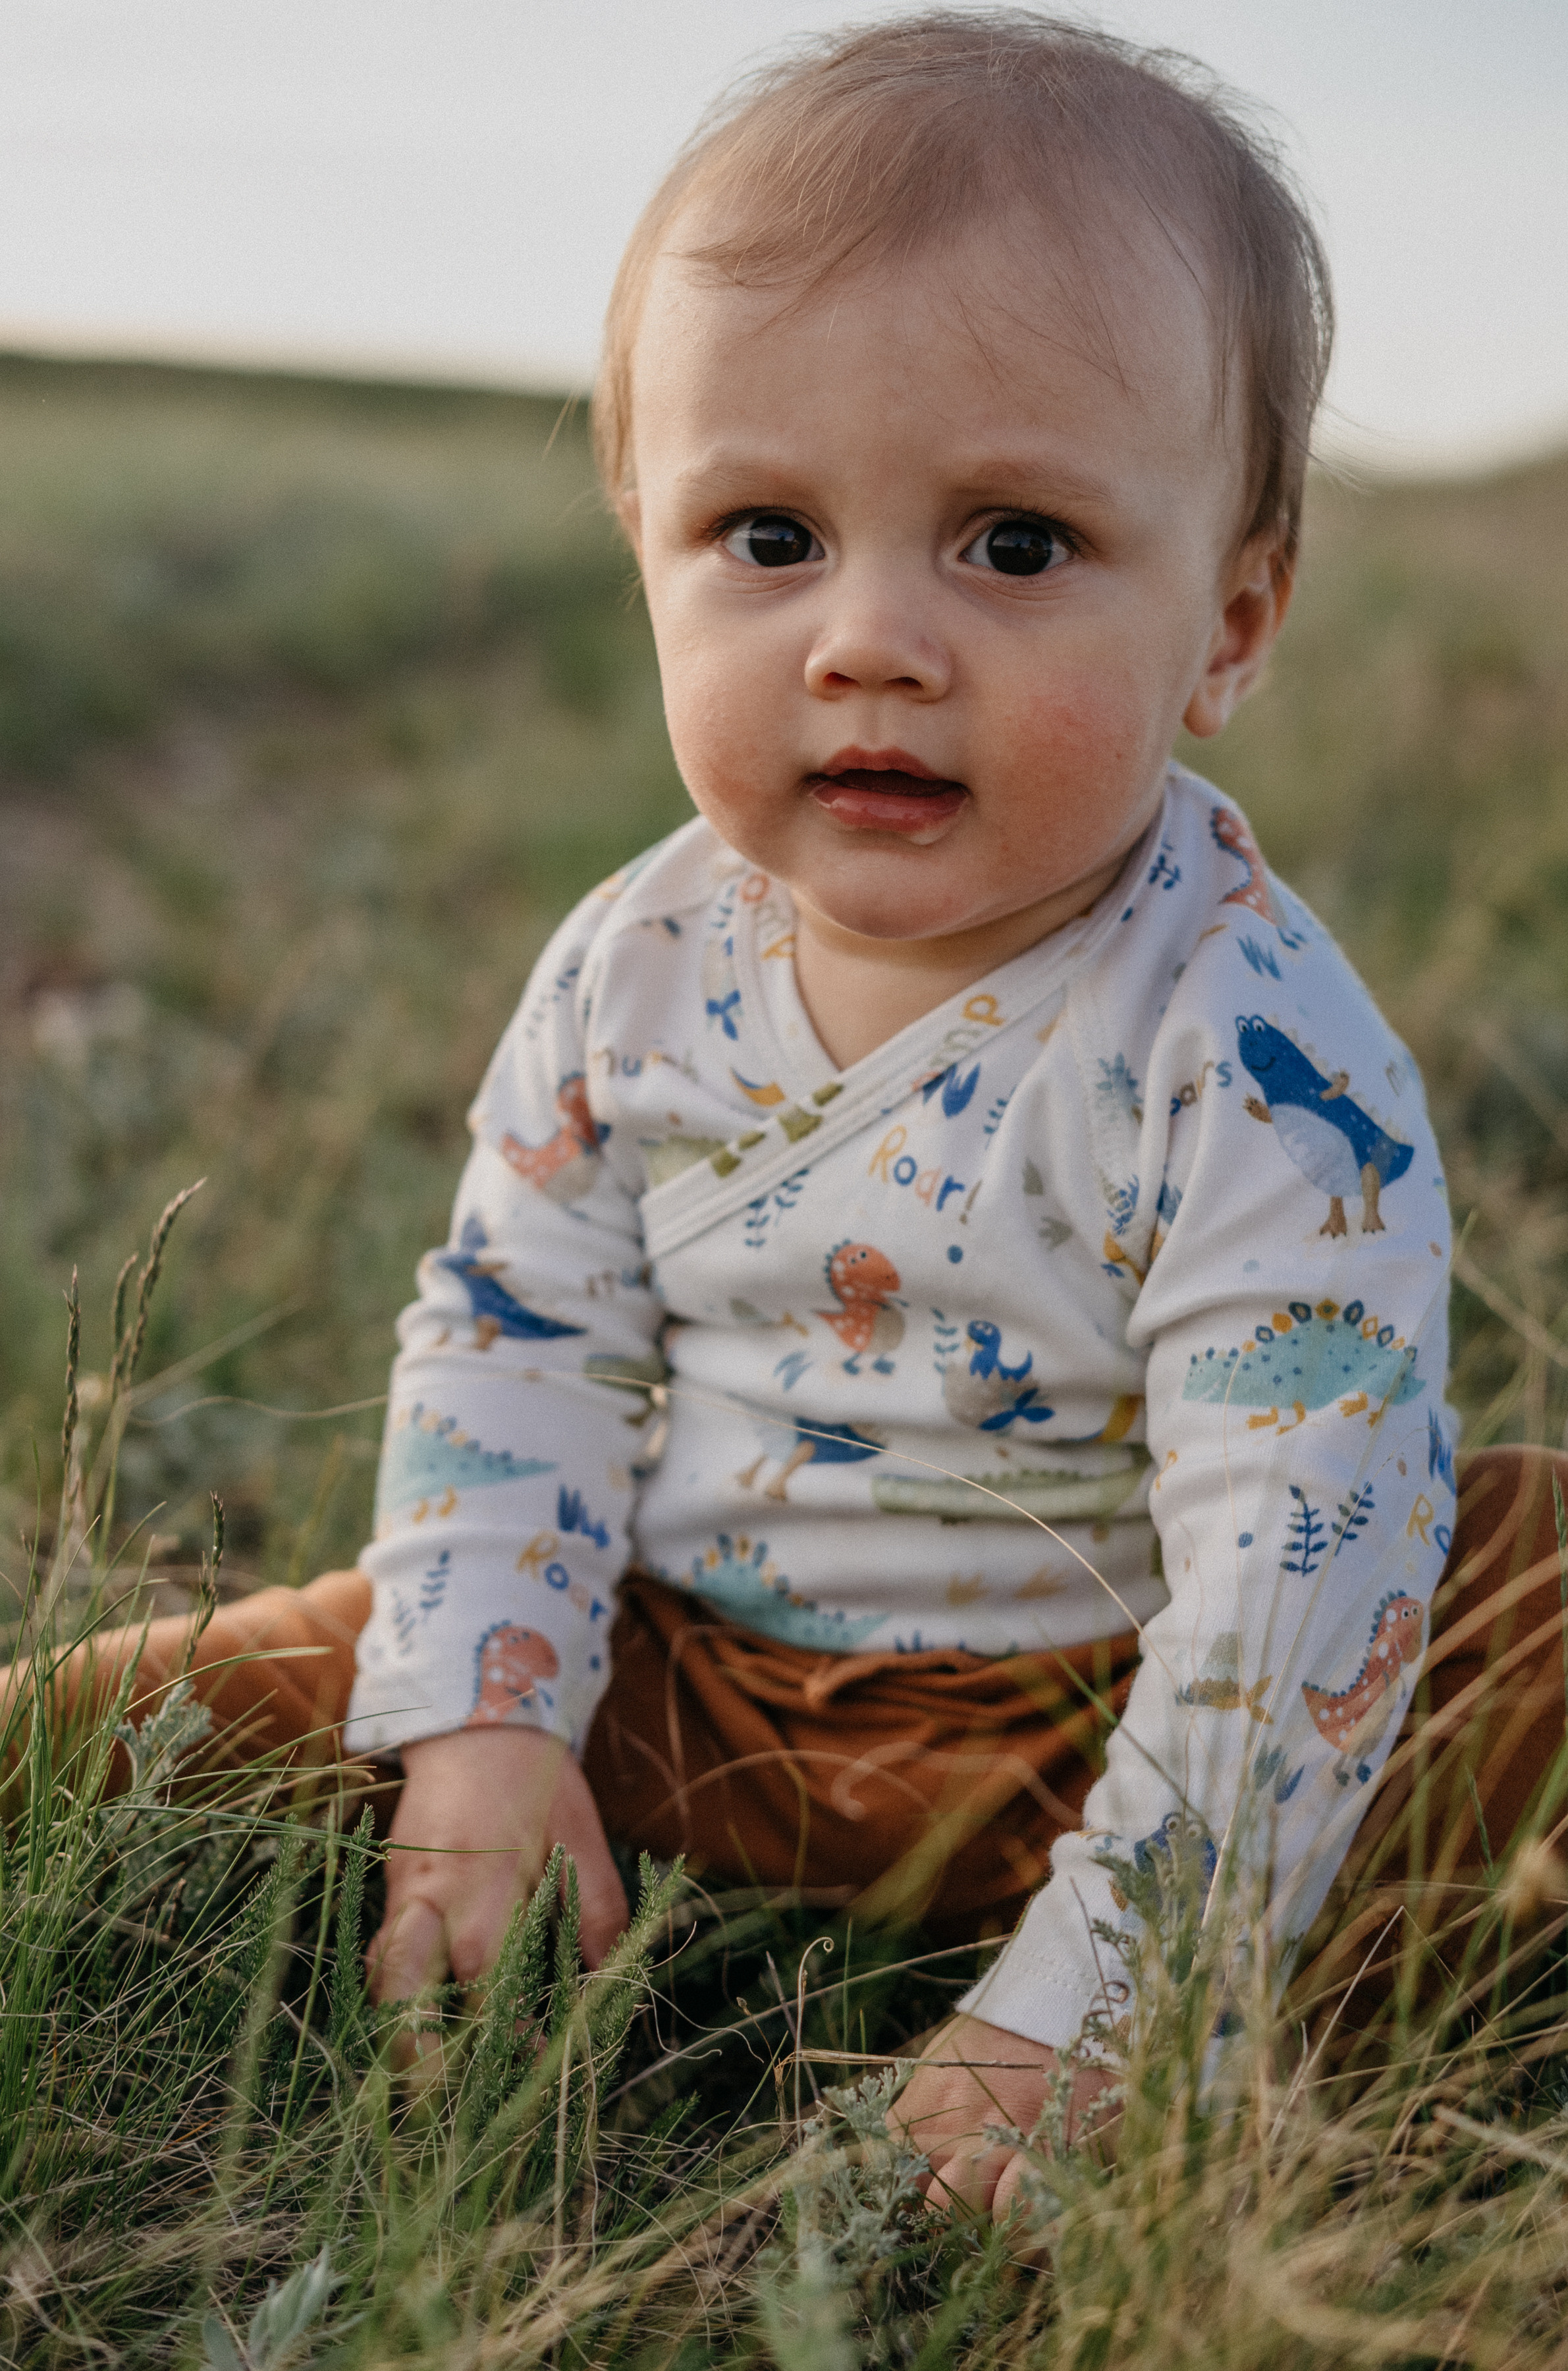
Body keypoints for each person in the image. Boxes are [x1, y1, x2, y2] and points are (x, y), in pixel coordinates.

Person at [23, 13, 1568, 2222]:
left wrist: (1095, 2009)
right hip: (670, 1669)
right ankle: (475, 1818)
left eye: (1015, 544)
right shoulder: (637, 965)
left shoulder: (1249, 1053)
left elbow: (1284, 1573)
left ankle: (1220, 1985)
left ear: (1229, 623)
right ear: (646, 553)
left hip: (1098, 1705)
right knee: (168, 1702)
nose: (869, 639)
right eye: (769, 533)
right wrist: (490, 1724)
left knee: (1489, 1572)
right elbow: (516, 1340)